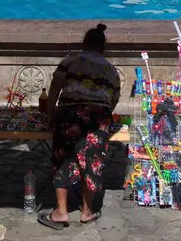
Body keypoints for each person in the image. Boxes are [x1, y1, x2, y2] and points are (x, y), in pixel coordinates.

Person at [37, 22, 121, 229]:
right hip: (97, 120)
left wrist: (49, 116)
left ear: (84, 43)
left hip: (69, 116)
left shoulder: (70, 60)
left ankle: (61, 212)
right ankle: (86, 211)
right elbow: (113, 101)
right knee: (91, 164)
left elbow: (54, 90)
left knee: (63, 159)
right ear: (103, 48)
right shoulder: (111, 70)